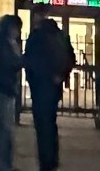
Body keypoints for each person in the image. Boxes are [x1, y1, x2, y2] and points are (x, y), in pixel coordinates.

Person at [24, 13, 73, 171]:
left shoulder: (36, 37)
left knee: (41, 125)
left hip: (40, 86)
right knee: (51, 123)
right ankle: (53, 158)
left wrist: (31, 80)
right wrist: (61, 76)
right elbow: (71, 59)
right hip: (54, 86)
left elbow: (30, 61)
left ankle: (45, 160)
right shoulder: (61, 37)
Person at [0, 14, 24, 171]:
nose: (18, 32)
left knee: (0, 126)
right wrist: (21, 60)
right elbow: (11, 63)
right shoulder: (3, 45)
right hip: (3, 87)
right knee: (3, 127)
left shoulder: (0, 43)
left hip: (2, 86)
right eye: (16, 28)